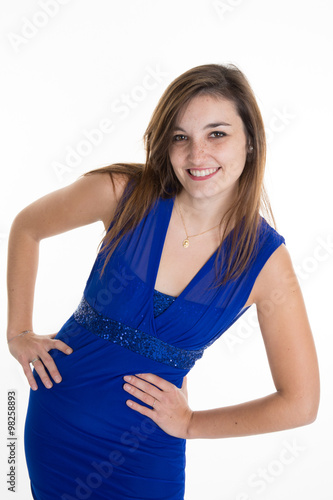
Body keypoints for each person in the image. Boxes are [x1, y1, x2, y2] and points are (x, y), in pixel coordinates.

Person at [7, 63, 320, 500]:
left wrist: (191, 424)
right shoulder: (123, 194)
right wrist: (19, 331)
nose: (197, 155)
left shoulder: (266, 262)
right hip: (59, 425)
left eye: (217, 134)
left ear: (250, 141)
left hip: (148, 453)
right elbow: (27, 227)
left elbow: (301, 404)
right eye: (180, 137)